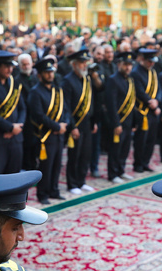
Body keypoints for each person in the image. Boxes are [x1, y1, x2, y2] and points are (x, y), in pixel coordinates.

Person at [26, 57, 70, 203]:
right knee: (46, 166)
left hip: (59, 135)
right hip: (45, 136)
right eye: (46, 72)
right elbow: (38, 116)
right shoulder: (35, 92)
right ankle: (43, 194)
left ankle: (54, 190)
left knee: (57, 164)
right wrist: (57, 126)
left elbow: (65, 110)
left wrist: (65, 124)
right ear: (39, 75)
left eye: (51, 72)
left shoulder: (58, 90)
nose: (50, 75)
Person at [62, 49, 96, 195]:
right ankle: (72, 183)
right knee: (74, 155)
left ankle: (81, 181)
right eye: (81, 63)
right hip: (74, 124)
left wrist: (93, 121)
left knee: (86, 154)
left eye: (85, 62)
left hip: (86, 124)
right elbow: (66, 106)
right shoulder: (67, 80)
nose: (84, 65)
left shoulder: (87, 79)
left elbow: (91, 102)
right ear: (74, 64)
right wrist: (72, 126)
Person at [105, 51, 138, 184]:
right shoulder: (113, 79)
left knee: (125, 148)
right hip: (118, 122)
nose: (128, 67)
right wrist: (116, 123)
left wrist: (135, 122)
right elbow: (111, 104)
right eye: (125, 64)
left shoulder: (130, 79)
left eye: (130, 65)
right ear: (119, 64)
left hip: (128, 121)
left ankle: (121, 170)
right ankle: (113, 173)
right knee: (115, 149)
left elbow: (132, 102)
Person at [131, 48, 162, 172]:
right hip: (142, 111)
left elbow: (159, 89)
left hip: (153, 111)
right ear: (143, 60)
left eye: (153, 61)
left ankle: (146, 162)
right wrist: (150, 102)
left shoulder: (153, 72)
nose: (152, 64)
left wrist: (157, 101)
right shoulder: (136, 73)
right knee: (141, 140)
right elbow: (139, 91)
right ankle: (138, 164)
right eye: (149, 61)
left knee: (151, 139)